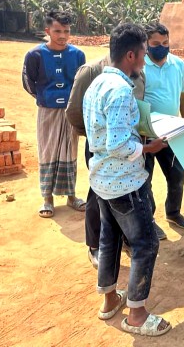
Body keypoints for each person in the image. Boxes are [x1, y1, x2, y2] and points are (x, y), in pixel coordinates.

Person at [82, 23, 171, 337]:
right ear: (131, 55)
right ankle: (136, 315)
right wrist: (148, 148)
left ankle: (110, 299)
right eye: (143, 53)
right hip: (125, 183)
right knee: (145, 244)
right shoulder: (121, 91)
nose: (145, 60)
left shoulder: (97, 83)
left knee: (110, 239)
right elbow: (119, 145)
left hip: (102, 180)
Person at [66, 55, 146, 268]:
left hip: (129, 146)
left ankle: (126, 239)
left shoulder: (138, 72)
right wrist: (95, 136)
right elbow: (73, 111)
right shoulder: (91, 70)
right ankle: (95, 245)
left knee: (127, 196)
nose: (144, 59)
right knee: (97, 195)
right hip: (101, 147)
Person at [22, 10, 86, 218]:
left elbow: (80, 83)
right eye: (57, 31)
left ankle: (71, 196)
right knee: (47, 152)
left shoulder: (78, 55)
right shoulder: (35, 55)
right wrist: (45, 98)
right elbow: (28, 82)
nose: (62, 36)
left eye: (66, 31)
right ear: (47, 30)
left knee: (70, 151)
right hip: (47, 112)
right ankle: (47, 198)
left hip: (70, 112)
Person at [143, 23, 184, 240]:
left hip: (172, 131)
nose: (161, 47)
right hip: (145, 134)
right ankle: (149, 220)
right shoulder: (140, 65)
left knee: (177, 175)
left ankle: (173, 212)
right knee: (145, 180)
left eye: (165, 43)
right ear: (146, 43)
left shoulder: (178, 64)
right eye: (155, 43)